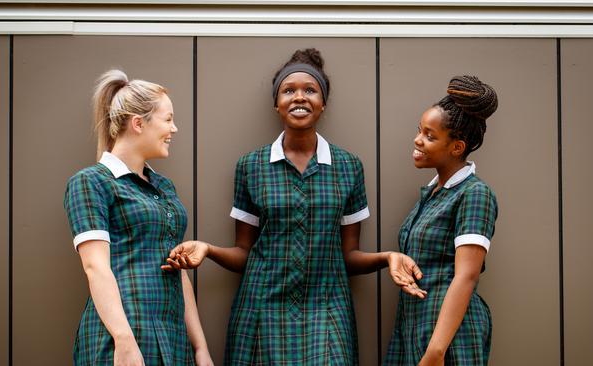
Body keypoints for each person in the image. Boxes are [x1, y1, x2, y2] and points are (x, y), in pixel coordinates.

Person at [162, 48, 425, 365]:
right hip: (261, 309)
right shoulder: (251, 166)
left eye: (310, 90)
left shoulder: (348, 166)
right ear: (277, 103)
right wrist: (207, 249)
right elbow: (244, 253)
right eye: (289, 91)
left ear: (323, 102)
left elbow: (348, 256)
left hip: (328, 310)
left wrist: (388, 258)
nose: (299, 98)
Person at [64, 70, 213, 366]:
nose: (175, 128)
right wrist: (124, 340)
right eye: (168, 119)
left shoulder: (164, 187)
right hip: (120, 338)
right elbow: (95, 267)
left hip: (171, 338)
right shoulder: (92, 182)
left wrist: (200, 348)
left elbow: (177, 268)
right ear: (137, 123)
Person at [384, 75, 499, 366]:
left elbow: (466, 276)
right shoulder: (432, 193)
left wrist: (436, 352)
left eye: (430, 135)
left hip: (448, 336)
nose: (417, 140)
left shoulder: (475, 194)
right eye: (419, 130)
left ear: (457, 147)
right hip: (415, 325)